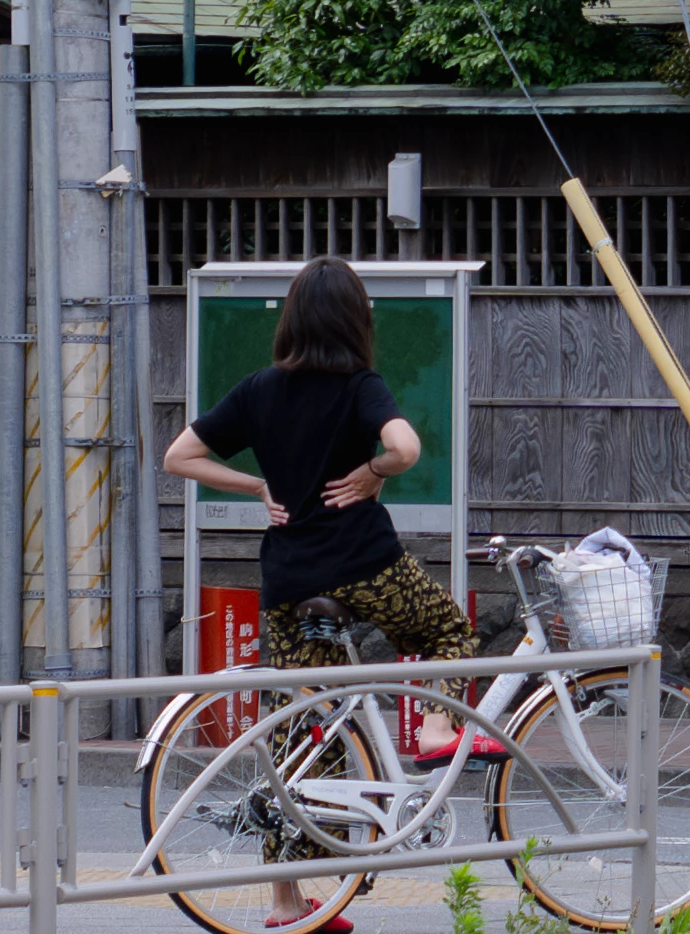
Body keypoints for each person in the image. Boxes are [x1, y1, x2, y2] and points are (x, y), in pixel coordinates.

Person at [165, 256, 475, 889]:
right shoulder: (361, 385)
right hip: (366, 566)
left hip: (290, 580)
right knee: (449, 632)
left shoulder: (258, 388)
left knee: (298, 732)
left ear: (292, 320)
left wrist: (258, 485)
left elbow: (180, 456)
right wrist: (375, 472)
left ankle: (286, 898)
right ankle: (438, 728)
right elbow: (407, 449)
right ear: (355, 320)